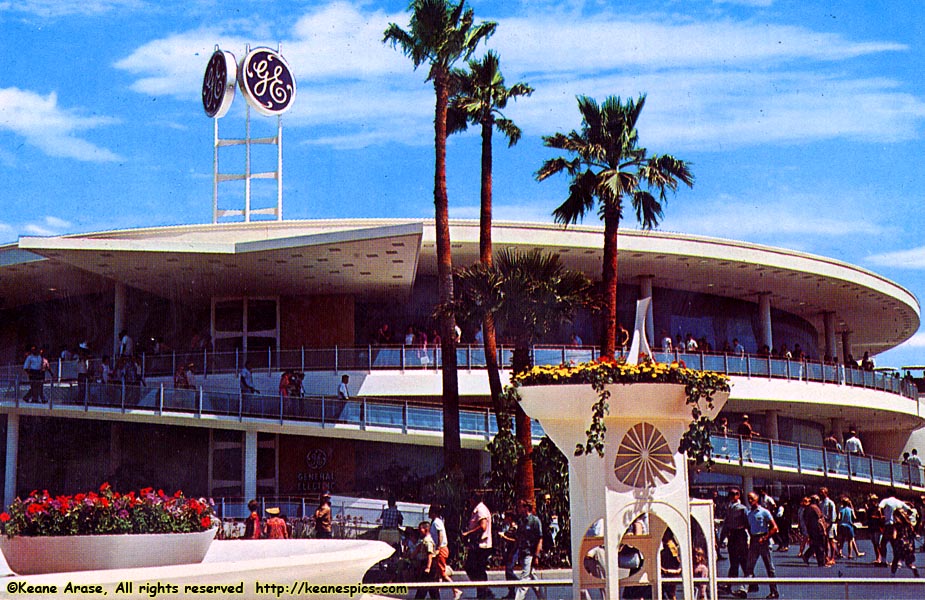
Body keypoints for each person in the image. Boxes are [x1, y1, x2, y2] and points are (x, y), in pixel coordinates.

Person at [744, 491, 779, 599]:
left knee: (769, 567)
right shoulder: (749, 514)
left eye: (752, 499)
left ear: (757, 499)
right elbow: (749, 527)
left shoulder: (764, 512)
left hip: (763, 540)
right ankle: (744, 589)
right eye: (748, 499)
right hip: (754, 541)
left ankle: (774, 591)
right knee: (749, 567)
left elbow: (775, 528)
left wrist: (765, 538)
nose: (750, 501)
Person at [462, 492, 493, 599]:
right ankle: (483, 591)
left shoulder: (480, 510)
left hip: (481, 545)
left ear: (473, 499)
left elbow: (483, 526)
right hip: (478, 544)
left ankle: (484, 591)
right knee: (476, 569)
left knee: (475, 568)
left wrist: (468, 533)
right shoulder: (478, 509)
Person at [720, 488, 749, 598]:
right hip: (732, 536)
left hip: (740, 535)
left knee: (744, 561)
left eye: (735, 494)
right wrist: (722, 538)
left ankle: (749, 585)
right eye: (731, 494)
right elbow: (726, 523)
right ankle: (729, 584)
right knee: (733, 562)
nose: (733, 496)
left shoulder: (742, 509)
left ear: (739, 495)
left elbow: (747, 522)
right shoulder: (729, 507)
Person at [428, 504, 462, 600]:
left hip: (441, 548)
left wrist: (438, 547)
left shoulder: (436, 522)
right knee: (437, 572)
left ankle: (455, 590)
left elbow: (440, 534)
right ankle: (436, 594)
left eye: (430, 511)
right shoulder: (436, 522)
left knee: (442, 573)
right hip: (440, 548)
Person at [514, 500, 545, 600]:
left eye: (520, 507)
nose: (519, 509)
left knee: (524, 579)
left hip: (530, 554)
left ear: (526, 508)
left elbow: (539, 539)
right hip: (523, 552)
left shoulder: (535, 521)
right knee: (532, 577)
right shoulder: (521, 521)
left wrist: (536, 555)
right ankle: (542, 598)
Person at [412, 520, 439, 599]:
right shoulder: (423, 540)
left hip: (428, 563)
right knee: (432, 587)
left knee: (424, 585)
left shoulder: (428, 541)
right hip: (426, 563)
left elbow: (429, 554)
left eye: (421, 529)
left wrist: (428, 567)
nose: (419, 531)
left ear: (426, 529)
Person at [890, 503, 919, 577]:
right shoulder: (908, 524)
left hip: (900, 544)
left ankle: (892, 574)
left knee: (895, 559)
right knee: (908, 562)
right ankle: (913, 568)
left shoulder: (896, 525)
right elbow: (913, 533)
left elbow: (894, 536)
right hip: (908, 544)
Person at [801, 495, 827, 567]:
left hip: (811, 530)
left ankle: (806, 556)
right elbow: (820, 519)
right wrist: (824, 529)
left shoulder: (806, 509)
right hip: (818, 530)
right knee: (820, 546)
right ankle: (821, 562)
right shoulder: (815, 508)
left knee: (815, 545)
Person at [660, 530, 683, 600]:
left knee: (671, 594)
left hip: (670, 572)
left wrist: (668, 570)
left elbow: (676, 559)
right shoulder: (666, 544)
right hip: (666, 570)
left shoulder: (670, 545)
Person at [819, 487, 838, 562]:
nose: (820, 494)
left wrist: (829, 523)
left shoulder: (830, 503)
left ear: (826, 493)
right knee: (825, 542)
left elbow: (833, 515)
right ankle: (827, 556)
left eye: (822, 492)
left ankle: (832, 558)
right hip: (823, 524)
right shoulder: (820, 503)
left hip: (830, 524)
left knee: (831, 541)